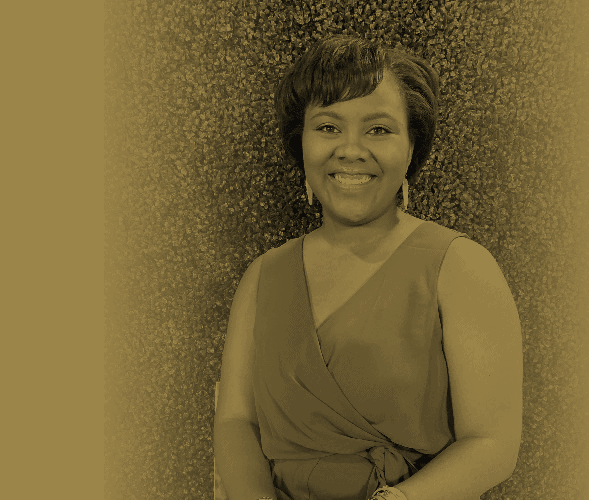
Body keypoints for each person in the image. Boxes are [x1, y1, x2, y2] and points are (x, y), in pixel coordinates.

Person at [213, 36, 523, 500]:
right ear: (301, 143)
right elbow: (236, 421)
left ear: (412, 148)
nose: (350, 149)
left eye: (378, 129)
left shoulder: (460, 267)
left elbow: (492, 444)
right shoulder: (262, 276)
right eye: (328, 127)